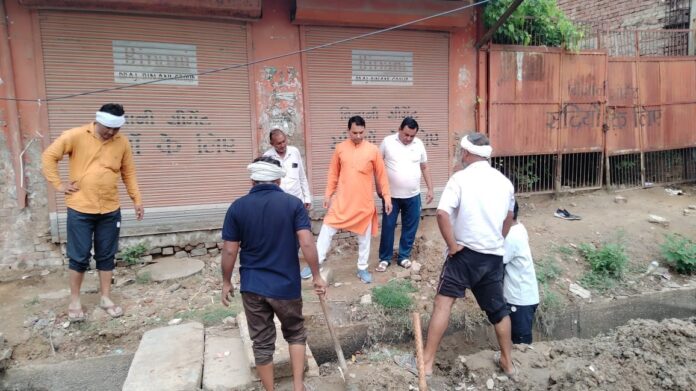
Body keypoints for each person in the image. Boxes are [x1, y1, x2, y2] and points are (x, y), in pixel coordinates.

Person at [395, 132, 517, 376]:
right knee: (498, 310)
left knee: (443, 304)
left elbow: (441, 214)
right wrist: (497, 241)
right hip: (492, 256)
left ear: (466, 153)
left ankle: (426, 365)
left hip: (463, 255)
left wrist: (452, 246)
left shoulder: (460, 179)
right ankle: (507, 362)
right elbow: (510, 218)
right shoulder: (505, 183)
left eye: (461, 151)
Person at [221, 156, 327, 391]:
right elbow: (307, 244)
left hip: (253, 286)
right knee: (295, 332)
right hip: (285, 285)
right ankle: (298, 386)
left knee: (261, 342)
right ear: (278, 179)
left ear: (253, 179)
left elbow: (229, 250)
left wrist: (226, 281)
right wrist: (317, 275)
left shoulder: (237, 207)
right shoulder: (293, 204)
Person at [41, 103, 144, 321]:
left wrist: (137, 200)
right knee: (79, 256)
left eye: (115, 129)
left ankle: (106, 297)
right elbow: (49, 156)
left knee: (107, 254)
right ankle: (75, 301)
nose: (110, 132)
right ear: (97, 121)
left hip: (110, 208)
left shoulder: (122, 142)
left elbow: (129, 172)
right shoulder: (75, 135)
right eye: (107, 127)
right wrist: (59, 184)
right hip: (81, 208)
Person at [300, 115, 392, 284]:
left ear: (365, 131)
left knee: (364, 238)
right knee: (326, 231)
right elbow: (333, 173)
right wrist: (328, 195)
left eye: (361, 132)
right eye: (354, 132)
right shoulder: (340, 148)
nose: (358, 136)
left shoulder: (373, 150)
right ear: (348, 131)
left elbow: (382, 175)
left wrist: (387, 197)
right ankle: (315, 264)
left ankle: (362, 268)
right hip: (342, 201)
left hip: (364, 203)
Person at [376, 117, 434, 272]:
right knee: (388, 226)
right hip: (391, 196)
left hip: (413, 195)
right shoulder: (387, 142)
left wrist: (430, 189)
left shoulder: (419, 144)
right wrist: (379, 188)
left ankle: (404, 256)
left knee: (410, 226)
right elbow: (378, 166)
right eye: (406, 134)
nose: (408, 138)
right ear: (400, 129)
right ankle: (385, 258)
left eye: (412, 136)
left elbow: (424, 167)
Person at [503, 201, 539, 345]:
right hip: (524, 296)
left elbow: (497, 263)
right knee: (518, 341)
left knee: (522, 345)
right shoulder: (519, 228)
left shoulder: (511, 237)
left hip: (519, 299)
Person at [263, 128, 312, 209]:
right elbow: (266, 182)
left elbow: (302, 176)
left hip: (297, 200)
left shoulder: (294, 151)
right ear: (272, 144)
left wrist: (307, 198)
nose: (282, 145)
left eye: (284, 141)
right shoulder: (267, 156)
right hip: (278, 203)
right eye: (279, 143)